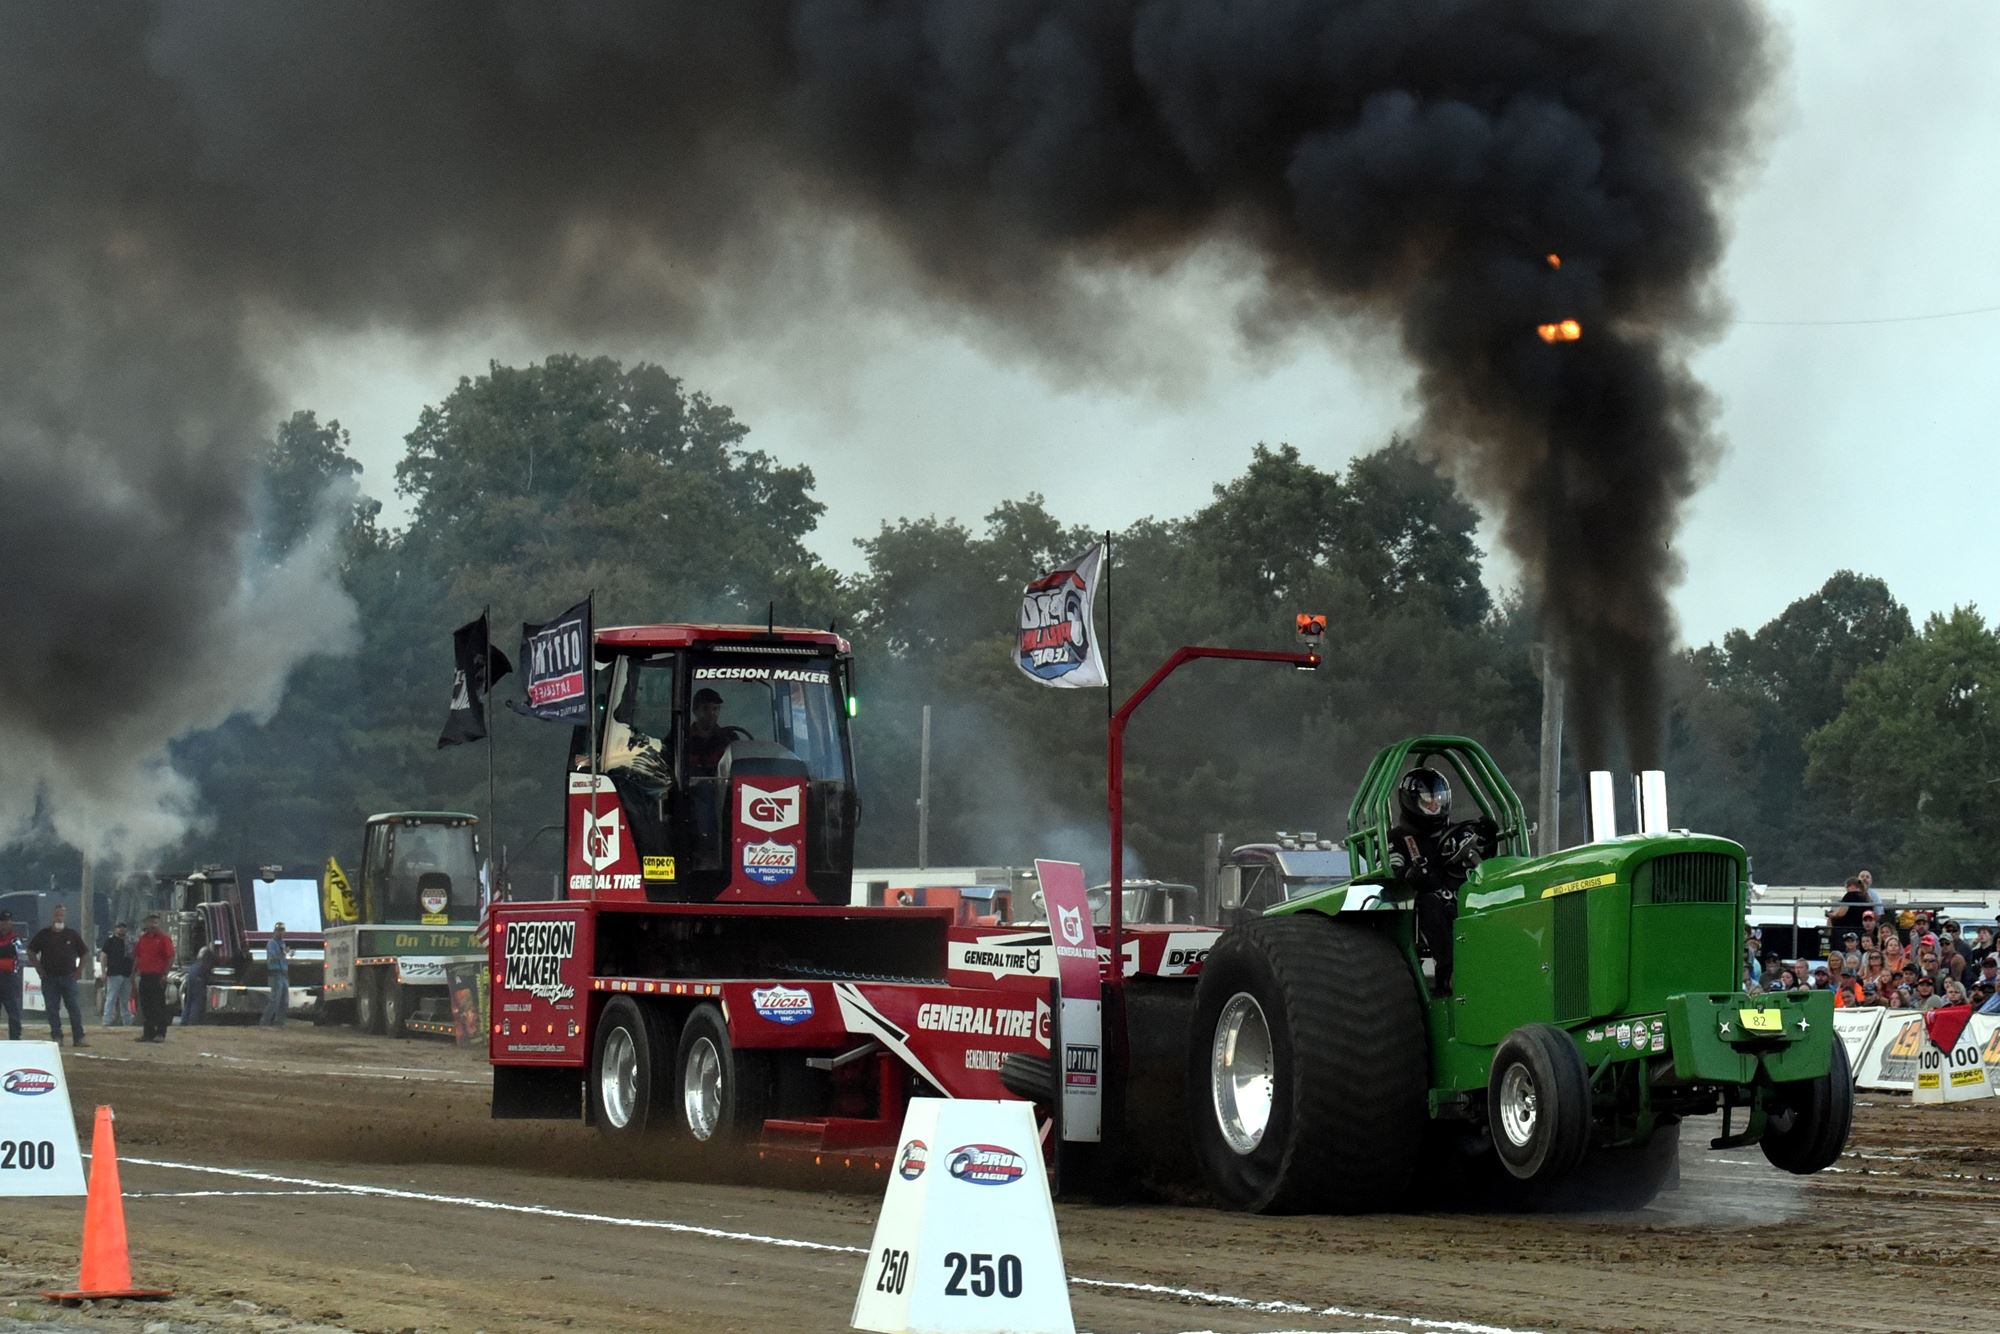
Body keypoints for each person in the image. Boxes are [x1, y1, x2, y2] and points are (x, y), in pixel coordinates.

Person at [1384, 766, 1498, 995]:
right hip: (1423, 903)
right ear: (1411, 801)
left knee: (1491, 895)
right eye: (1428, 801)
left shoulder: (1459, 832)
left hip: (1463, 894)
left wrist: (1489, 840)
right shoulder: (1397, 839)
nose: (1435, 806)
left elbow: (1483, 863)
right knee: (1431, 904)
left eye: (1439, 799)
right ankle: (1450, 973)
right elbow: (1389, 872)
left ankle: (1502, 959)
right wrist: (1409, 875)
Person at [27, 905, 88, 1047]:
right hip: (49, 979)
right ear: (52, 917)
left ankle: (78, 1037)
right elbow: (30, 951)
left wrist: (79, 971)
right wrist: (39, 969)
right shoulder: (44, 934)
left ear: (64, 917)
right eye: (57, 915)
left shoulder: (71, 934)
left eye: (61, 915)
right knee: (52, 1009)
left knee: (74, 1008)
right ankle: (56, 1037)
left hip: (69, 977)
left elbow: (84, 953)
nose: (59, 918)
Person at [132, 914, 175, 1042]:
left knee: (158, 1005)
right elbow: (138, 957)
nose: (153, 925)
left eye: (155, 922)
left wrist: (165, 974)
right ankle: (148, 1033)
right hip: (144, 975)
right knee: (146, 1006)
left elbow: (170, 957)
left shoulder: (163, 939)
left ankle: (161, 1033)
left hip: (157, 976)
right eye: (151, 922)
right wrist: (133, 973)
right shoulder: (143, 939)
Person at [685, 687, 735, 776]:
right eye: (705, 708)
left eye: (715, 709)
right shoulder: (679, 738)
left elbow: (737, 769)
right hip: (689, 789)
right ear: (695, 710)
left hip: (724, 788)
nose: (711, 713)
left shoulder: (730, 739)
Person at [98, 921, 134, 1028]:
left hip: (127, 974)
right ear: (115, 929)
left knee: (125, 1000)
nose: (121, 929)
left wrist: (133, 972)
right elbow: (103, 956)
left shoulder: (129, 942)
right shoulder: (110, 941)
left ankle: (127, 1022)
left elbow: (134, 957)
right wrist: (103, 972)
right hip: (114, 974)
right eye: (119, 927)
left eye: (123, 927)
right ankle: (106, 1021)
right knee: (111, 998)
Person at [260, 923, 291, 1027]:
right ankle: (265, 1021)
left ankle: (279, 1023)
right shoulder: (271, 943)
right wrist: (283, 953)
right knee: (275, 999)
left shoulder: (282, 943)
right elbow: (272, 958)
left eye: (282, 930)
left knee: (284, 1000)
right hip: (275, 973)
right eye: (279, 930)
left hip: (283, 973)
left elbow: (283, 958)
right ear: (275, 931)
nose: (281, 932)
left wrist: (288, 954)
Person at [0, 909, 23, 1041]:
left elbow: (15, 950)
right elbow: (8, 951)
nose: (5, 924)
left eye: (8, 921)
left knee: (13, 1011)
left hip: (10, 979)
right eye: (2, 921)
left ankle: (15, 1038)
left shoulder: (15, 937)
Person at [180, 944, 213, 1026]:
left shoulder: (203, 950)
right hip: (198, 975)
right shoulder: (208, 953)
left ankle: (184, 1022)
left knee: (189, 1000)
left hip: (192, 972)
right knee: (197, 1000)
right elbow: (206, 967)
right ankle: (193, 1022)